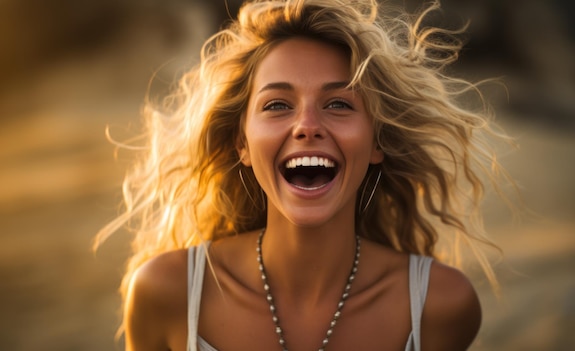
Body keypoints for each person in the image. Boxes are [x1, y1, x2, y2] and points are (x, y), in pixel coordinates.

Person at [96, 0, 513, 350]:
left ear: (376, 144)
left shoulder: (438, 305)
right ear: (241, 143)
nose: (306, 126)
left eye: (339, 104)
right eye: (277, 105)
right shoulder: (166, 293)